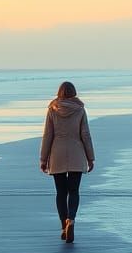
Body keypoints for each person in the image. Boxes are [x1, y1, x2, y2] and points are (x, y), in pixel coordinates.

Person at [40, 80, 95, 243]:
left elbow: (47, 135)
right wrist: (90, 157)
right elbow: (85, 134)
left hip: (57, 153)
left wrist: (43, 158)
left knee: (61, 193)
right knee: (74, 191)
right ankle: (71, 219)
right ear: (74, 92)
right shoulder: (80, 109)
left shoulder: (52, 109)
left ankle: (63, 226)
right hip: (77, 153)